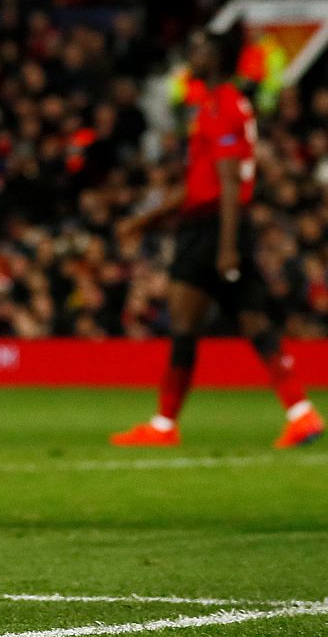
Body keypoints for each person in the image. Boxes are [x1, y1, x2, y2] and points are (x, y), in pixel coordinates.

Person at [112, 27, 323, 449]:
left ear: (218, 59)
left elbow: (228, 184)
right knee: (252, 321)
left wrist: (225, 246)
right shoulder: (216, 104)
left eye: (201, 48)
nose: (193, 53)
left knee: (186, 324)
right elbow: (200, 183)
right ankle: (301, 413)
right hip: (218, 224)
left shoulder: (221, 106)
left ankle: (164, 424)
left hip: (212, 230)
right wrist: (147, 221)